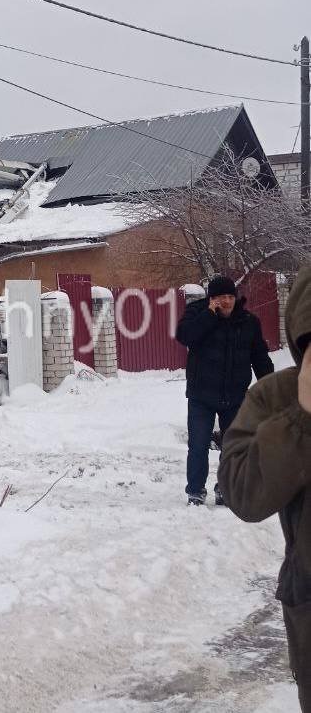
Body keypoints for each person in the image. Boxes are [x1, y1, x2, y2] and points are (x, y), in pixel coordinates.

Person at [219, 267, 311, 710]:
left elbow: (256, 351)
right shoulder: (278, 398)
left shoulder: (249, 325)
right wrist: (301, 420)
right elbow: (242, 493)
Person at [176, 275, 273, 506]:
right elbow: (185, 336)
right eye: (221, 297)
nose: (227, 301)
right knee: (198, 444)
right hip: (201, 395)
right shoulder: (197, 313)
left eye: (230, 297)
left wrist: (270, 387)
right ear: (212, 299)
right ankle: (196, 491)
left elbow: (259, 357)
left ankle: (226, 489)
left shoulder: (248, 321)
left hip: (235, 395)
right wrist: (209, 315)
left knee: (233, 447)